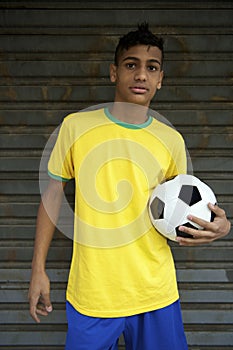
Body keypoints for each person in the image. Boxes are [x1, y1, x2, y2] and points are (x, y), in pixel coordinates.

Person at [28, 23, 231, 350]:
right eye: (131, 64)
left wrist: (221, 226)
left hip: (154, 292)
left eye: (151, 68)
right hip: (92, 293)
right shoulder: (76, 127)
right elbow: (52, 198)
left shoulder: (171, 140)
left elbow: (188, 207)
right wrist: (38, 270)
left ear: (160, 79)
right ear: (114, 72)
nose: (141, 75)